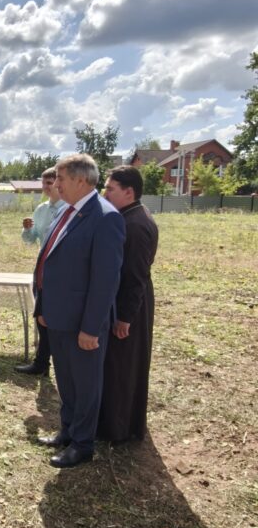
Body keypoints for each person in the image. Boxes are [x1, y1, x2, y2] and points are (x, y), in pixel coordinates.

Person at [34, 154, 124, 468]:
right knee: (67, 381)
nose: (55, 184)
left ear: (81, 180)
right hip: (59, 316)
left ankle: (83, 444)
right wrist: (43, 307)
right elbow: (50, 261)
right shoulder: (66, 211)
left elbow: (105, 281)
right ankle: (68, 431)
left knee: (85, 386)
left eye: (61, 179)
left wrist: (90, 328)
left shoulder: (105, 217)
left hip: (82, 322)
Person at [98, 166, 159, 443]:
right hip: (127, 301)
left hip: (131, 305)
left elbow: (135, 276)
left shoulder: (136, 224)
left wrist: (124, 317)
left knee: (124, 366)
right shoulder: (130, 215)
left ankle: (119, 428)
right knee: (119, 364)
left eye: (110, 189)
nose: (105, 194)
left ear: (129, 192)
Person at [16, 167, 66, 376]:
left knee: (58, 318)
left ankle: (60, 363)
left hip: (63, 272)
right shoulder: (41, 209)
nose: (46, 187)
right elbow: (31, 240)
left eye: (50, 182)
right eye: (43, 183)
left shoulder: (69, 209)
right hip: (42, 271)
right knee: (41, 315)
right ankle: (42, 363)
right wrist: (27, 229)